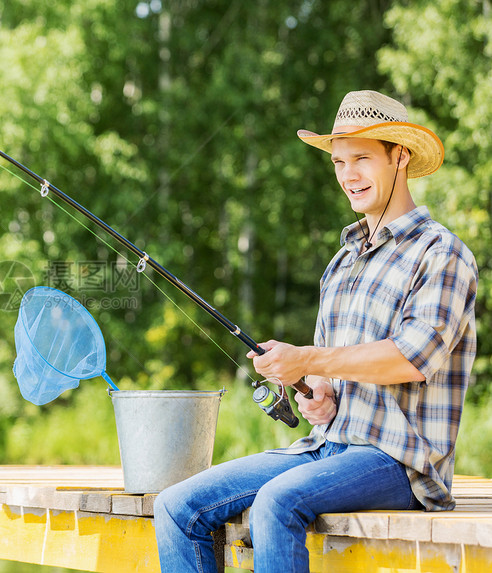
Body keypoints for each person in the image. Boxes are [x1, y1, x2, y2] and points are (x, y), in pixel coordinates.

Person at [153, 90, 478, 572]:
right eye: (339, 161)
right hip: (326, 447)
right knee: (175, 507)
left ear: (401, 157)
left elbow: (409, 359)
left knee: (276, 502)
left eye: (362, 159)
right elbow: (332, 377)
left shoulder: (441, 253)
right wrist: (319, 394)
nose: (349, 175)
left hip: (400, 462)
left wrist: (307, 359)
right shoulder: (342, 262)